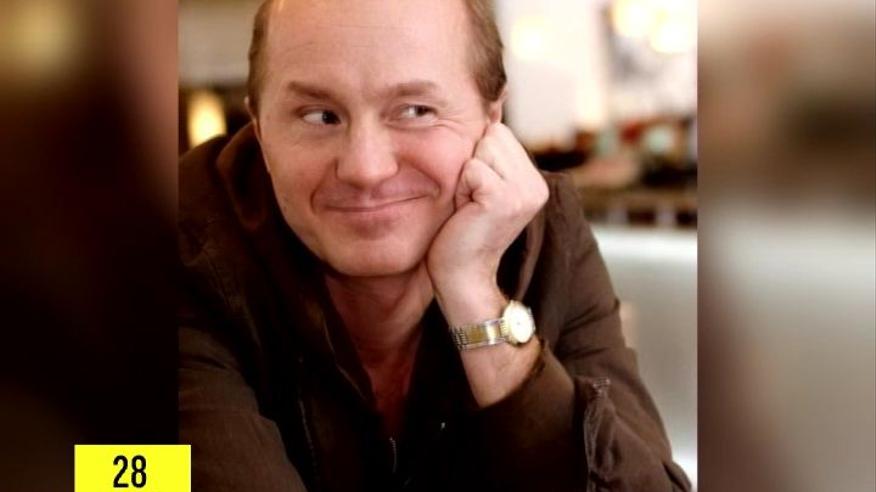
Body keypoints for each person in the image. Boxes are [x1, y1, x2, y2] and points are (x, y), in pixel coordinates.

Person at [179, 0, 691, 490]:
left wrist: (475, 298)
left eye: (415, 110)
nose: (365, 169)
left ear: (491, 120)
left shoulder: (544, 234)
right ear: (260, 129)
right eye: (319, 116)